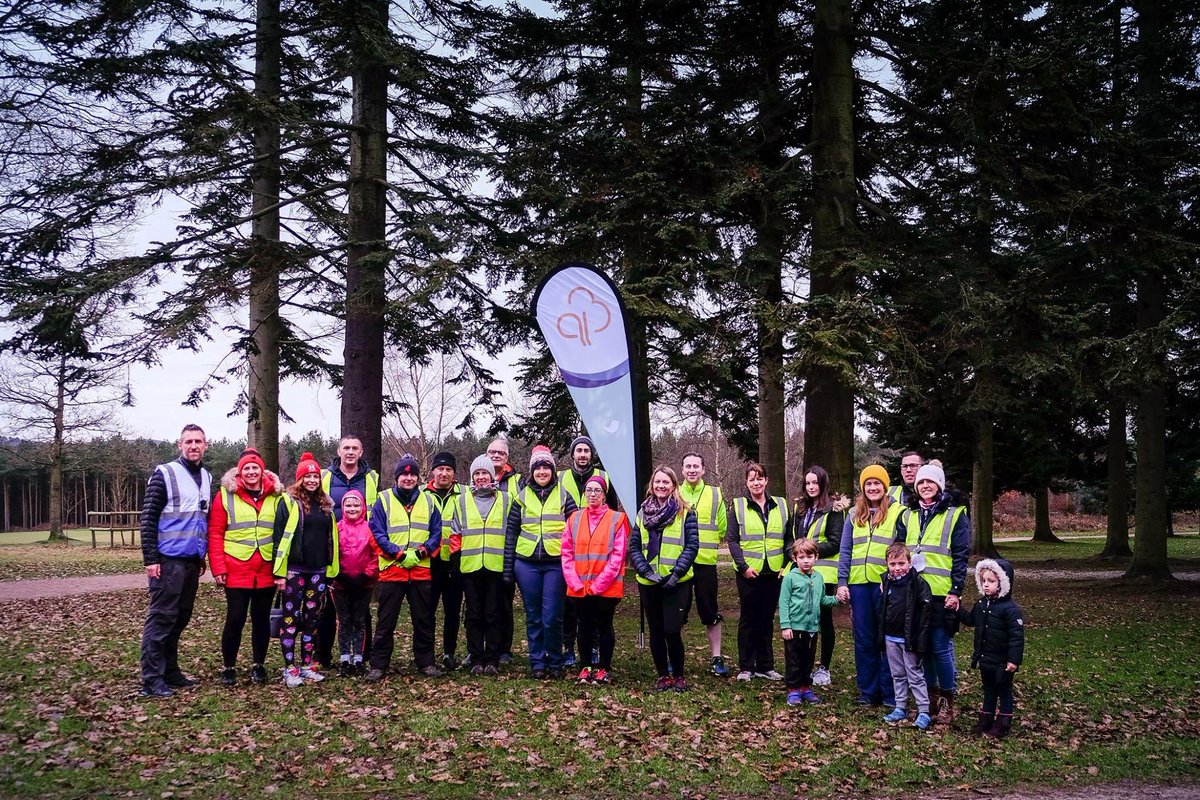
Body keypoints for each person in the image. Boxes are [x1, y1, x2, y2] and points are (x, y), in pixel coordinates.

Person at [139, 424, 212, 698]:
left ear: (206, 445)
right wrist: (150, 558)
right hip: (167, 560)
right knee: (161, 619)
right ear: (179, 445)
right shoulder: (165, 474)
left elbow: (201, 518)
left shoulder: (206, 476)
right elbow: (148, 518)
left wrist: (201, 553)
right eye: (188, 441)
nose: (193, 446)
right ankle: (151, 678)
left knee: (180, 618)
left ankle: (170, 671)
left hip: (191, 561)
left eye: (198, 441)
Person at [899, 461, 971, 724]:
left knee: (941, 648)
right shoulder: (909, 515)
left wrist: (956, 590)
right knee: (924, 648)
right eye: (921, 482)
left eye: (930, 482)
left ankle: (947, 701)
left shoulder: (954, 515)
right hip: (916, 594)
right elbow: (900, 552)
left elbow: (961, 556)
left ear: (939, 485)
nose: (925, 486)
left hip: (942, 594)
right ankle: (929, 698)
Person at [365, 454, 443, 681]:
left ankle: (426, 662)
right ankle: (378, 664)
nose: (408, 478)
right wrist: (398, 554)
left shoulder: (429, 501)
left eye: (412, 475)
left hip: (420, 570)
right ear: (397, 477)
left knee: (423, 619)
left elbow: (437, 534)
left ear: (418, 478)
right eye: (404, 474)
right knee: (386, 620)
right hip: (392, 570)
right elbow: (376, 533)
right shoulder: (384, 499)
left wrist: (420, 553)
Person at [207, 448, 282, 687]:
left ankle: (258, 665)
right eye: (246, 468)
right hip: (236, 567)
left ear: (262, 471)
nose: (251, 472)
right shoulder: (225, 495)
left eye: (255, 468)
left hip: (267, 568)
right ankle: (229, 667)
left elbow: (284, 532)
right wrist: (218, 567)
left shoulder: (276, 495)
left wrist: (281, 568)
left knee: (261, 620)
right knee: (235, 618)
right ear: (240, 472)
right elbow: (215, 533)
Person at [504, 445, 577, 679]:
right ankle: (537, 661)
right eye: (538, 468)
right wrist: (508, 570)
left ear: (553, 471)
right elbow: (511, 534)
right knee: (533, 615)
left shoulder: (565, 495)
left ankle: (555, 660)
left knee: (552, 615)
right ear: (532, 471)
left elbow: (576, 531)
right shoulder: (521, 497)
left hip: (556, 564)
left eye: (546, 467)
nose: (542, 472)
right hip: (526, 564)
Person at [836, 465, 903, 707]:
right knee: (864, 639)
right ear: (862, 488)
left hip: (886, 586)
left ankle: (890, 693)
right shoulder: (854, 514)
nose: (872, 488)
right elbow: (845, 550)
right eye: (868, 484)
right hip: (859, 586)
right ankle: (868, 691)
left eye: (877, 483)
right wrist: (842, 582)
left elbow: (903, 551)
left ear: (884, 487)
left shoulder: (898, 512)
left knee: (887, 639)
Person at [272, 452, 340, 687]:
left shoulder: (326, 505)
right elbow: (279, 538)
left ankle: (307, 664)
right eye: (308, 476)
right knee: (290, 619)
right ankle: (289, 668)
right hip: (294, 570)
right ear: (300, 478)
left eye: (315, 476)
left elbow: (332, 540)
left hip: (318, 571)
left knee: (312, 620)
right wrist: (279, 573)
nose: (312, 480)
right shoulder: (288, 501)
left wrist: (331, 571)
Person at [629, 466, 699, 692]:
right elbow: (634, 547)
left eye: (665, 482)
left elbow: (691, 547)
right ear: (652, 485)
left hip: (676, 582)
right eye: (657, 482)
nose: (661, 486)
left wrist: (676, 573)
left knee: (672, 630)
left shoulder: (685, 512)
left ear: (673, 486)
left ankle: (678, 675)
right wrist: (646, 571)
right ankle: (663, 675)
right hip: (650, 582)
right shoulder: (641, 513)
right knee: (656, 630)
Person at [318, 434, 381, 668]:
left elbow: (378, 512)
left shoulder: (372, 478)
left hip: (364, 549)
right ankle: (323, 656)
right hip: (332, 547)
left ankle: (362, 657)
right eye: (346, 447)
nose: (350, 452)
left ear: (361, 452)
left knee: (361, 615)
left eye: (355, 448)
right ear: (339, 451)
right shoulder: (326, 477)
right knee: (327, 611)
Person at [562, 474, 628, 685]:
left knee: (605, 626)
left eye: (597, 491)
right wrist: (574, 581)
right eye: (589, 490)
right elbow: (566, 552)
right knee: (584, 627)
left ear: (604, 494)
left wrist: (600, 584)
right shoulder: (574, 518)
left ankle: (604, 668)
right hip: (580, 586)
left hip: (606, 588)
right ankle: (585, 667)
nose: (592, 494)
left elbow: (618, 556)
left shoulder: (617, 519)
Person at [558, 435, 618, 667]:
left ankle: (593, 648)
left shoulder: (604, 477)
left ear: (592, 454)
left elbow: (612, 510)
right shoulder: (562, 478)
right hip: (573, 547)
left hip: (600, 550)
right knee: (570, 605)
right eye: (578, 450)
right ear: (572, 454)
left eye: (586, 450)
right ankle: (569, 648)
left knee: (596, 605)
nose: (582, 454)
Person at [728, 462, 790, 682]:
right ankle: (746, 666)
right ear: (746, 482)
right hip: (748, 572)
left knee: (766, 619)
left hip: (774, 571)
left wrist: (786, 562)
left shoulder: (781, 505)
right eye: (752, 479)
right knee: (748, 619)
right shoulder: (738, 506)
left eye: (760, 478)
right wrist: (743, 567)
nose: (756, 482)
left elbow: (788, 539)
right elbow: (733, 540)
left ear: (766, 481)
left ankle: (766, 665)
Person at [457, 455, 513, 676]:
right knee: (473, 614)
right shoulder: (462, 500)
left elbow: (511, 533)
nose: (481, 477)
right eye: (477, 474)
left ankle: (492, 658)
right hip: (470, 566)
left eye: (485, 473)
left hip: (495, 566)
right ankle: (475, 658)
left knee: (493, 613)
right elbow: (454, 534)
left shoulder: (506, 499)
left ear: (492, 475)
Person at [957, 558, 1025, 738]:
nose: (986, 585)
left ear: (1003, 582)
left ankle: (1003, 723)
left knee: (1004, 690)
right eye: (984, 581)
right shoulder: (981, 604)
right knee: (988, 689)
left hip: (1002, 660)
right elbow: (971, 620)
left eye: (991, 581)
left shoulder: (1010, 609)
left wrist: (1013, 660)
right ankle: (985, 719)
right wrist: (956, 610)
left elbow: (1017, 637)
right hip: (985, 657)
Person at [792, 465, 847, 687]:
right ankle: (802, 664)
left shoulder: (834, 509)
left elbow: (835, 542)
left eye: (815, 482)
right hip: (800, 572)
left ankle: (824, 667)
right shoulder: (801, 508)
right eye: (808, 483)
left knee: (823, 620)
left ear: (823, 483)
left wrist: (809, 552)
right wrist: (795, 555)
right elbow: (793, 536)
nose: (811, 487)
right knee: (802, 617)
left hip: (824, 573)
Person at [679, 452, 729, 677]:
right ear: (682, 470)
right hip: (679, 564)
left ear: (703, 470)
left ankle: (716, 657)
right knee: (678, 611)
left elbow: (721, 529)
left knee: (710, 611)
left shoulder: (715, 494)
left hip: (705, 563)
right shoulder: (674, 492)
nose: (692, 470)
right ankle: (675, 656)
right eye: (688, 466)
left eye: (696, 466)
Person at [778, 538, 840, 705]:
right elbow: (783, 602)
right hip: (794, 627)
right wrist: (785, 625)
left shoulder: (819, 578)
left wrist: (837, 599)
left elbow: (823, 600)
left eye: (809, 557)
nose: (806, 561)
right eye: (801, 557)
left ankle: (805, 686)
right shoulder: (790, 578)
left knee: (808, 658)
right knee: (793, 659)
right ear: (794, 559)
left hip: (811, 627)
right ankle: (793, 689)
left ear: (816, 557)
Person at [879, 543, 933, 730]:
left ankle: (924, 710)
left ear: (910, 562)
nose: (897, 568)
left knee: (915, 675)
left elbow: (925, 615)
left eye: (901, 563)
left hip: (909, 639)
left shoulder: (918, 584)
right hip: (890, 637)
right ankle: (900, 706)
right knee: (897, 675)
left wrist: (920, 641)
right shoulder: (886, 581)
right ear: (887, 564)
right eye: (892, 564)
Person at [330, 490, 377, 676]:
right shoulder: (337, 528)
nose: (352, 509)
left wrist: (366, 576)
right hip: (341, 583)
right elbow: (330, 552)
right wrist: (338, 575)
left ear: (363, 507)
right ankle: (344, 658)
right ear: (342, 507)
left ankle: (358, 658)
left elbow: (376, 555)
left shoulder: (369, 528)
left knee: (359, 620)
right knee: (344, 621)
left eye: (356, 505)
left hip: (363, 584)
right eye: (348, 505)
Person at [426, 451, 465, 671]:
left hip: (455, 561)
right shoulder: (423, 494)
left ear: (454, 473)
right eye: (440, 469)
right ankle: (428, 653)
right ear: (433, 471)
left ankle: (449, 653)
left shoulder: (464, 494)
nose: (444, 473)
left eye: (448, 469)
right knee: (427, 611)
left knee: (452, 611)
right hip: (429, 562)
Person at [486, 438, 520, 664]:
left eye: (501, 453)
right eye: (492, 452)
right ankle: (482, 647)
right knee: (479, 606)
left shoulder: (518, 481)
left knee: (504, 604)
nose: (496, 455)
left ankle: (504, 649)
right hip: (481, 552)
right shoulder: (478, 477)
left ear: (507, 457)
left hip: (508, 551)